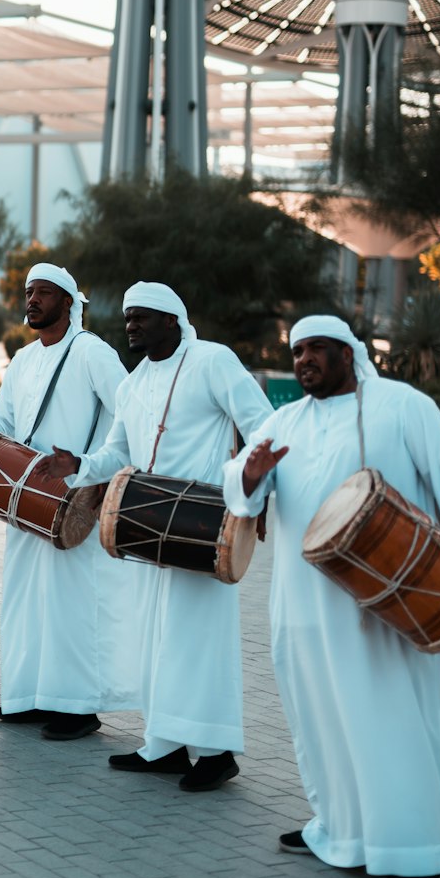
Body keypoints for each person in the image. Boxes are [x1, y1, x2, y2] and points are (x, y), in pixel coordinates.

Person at [222, 315, 440, 878]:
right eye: (298, 352)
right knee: (321, 722)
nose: (305, 361)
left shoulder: (402, 405)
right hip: (303, 607)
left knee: (394, 721)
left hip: (386, 605)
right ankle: (341, 831)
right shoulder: (285, 419)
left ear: (349, 353)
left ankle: (418, 851)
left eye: (318, 349)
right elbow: (240, 495)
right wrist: (249, 473)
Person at [42, 283, 269, 790]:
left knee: (200, 641)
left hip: (203, 525)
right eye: (127, 318)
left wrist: (258, 490)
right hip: (145, 527)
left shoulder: (212, 361)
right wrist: (79, 465)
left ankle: (216, 751)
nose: (131, 326)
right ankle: (164, 743)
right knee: (156, 640)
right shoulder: (133, 383)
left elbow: (263, 428)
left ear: (172, 321)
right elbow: (116, 451)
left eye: (141, 317)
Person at [0, 263, 133, 740]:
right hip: (27, 495)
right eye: (28, 292)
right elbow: (4, 426)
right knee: (23, 598)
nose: (32, 299)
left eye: (42, 292)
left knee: (69, 603)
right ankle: (29, 696)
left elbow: (130, 412)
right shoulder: (21, 360)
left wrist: (94, 468)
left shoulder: (91, 352)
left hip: (74, 498)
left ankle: (79, 707)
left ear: (67, 301)